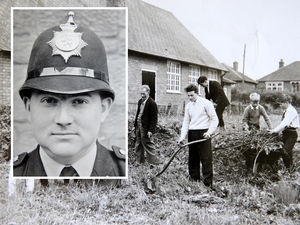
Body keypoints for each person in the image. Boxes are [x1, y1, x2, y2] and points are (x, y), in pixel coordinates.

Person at [13, 11, 125, 177]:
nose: (63, 119)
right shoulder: (9, 175)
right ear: (28, 107)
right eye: (49, 100)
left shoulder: (123, 170)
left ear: (103, 108)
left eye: (79, 101)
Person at [177, 84, 218, 187]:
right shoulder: (188, 106)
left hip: (204, 133)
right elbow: (186, 122)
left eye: (192, 95)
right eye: (188, 96)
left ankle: (208, 183)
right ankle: (194, 180)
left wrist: (209, 132)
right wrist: (182, 137)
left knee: (206, 159)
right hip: (192, 133)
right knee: (193, 158)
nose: (190, 98)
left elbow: (214, 119)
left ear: (197, 93)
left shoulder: (206, 103)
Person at [269, 94, 299, 171]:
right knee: (287, 152)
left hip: (291, 134)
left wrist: (274, 131)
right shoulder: (287, 110)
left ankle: (289, 169)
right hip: (286, 133)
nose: (280, 106)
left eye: (281, 104)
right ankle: (290, 169)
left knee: (285, 151)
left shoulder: (291, 111)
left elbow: (284, 123)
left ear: (286, 102)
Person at [134, 85, 160, 165]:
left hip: (146, 128)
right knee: (138, 143)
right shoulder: (140, 101)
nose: (142, 95)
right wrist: (134, 125)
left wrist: (150, 130)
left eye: (144, 94)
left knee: (148, 144)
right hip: (139, 126)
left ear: (148, 92)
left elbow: (154, 119)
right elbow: (137, 114)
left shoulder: (152, 103)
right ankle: (139, 161)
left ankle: (154, 163)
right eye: (141, 93)